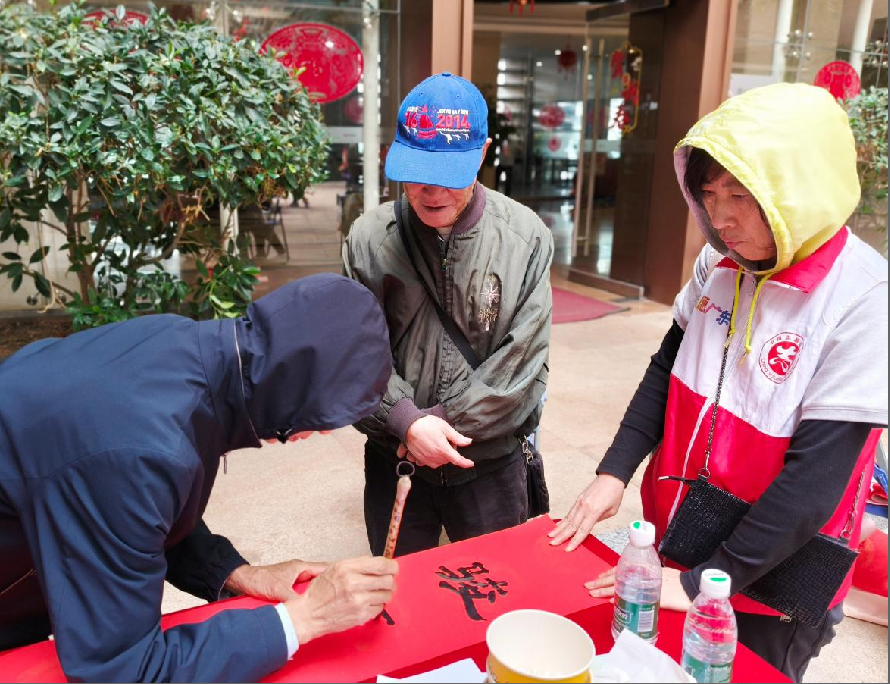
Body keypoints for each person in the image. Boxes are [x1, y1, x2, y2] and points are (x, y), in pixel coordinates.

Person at [549, 83, 888, 682]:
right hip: (686, 527)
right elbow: (668, 367)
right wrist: (614, 471)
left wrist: (709, 582)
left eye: (740, 195)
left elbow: (813, 484)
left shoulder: (863, 298)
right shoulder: (720, 263)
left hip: (775, 569)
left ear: (800, 191)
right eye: (708, 194)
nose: (721, 218)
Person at [0, 274, 398, 682]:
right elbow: (123, 669)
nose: (320, 434)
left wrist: (236, 573)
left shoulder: (185, 347)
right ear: (294, 390)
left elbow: (131, 509)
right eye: (326, 416)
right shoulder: (140, 451)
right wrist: (306, 618)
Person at [343, 72, 553, 557]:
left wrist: (432, 426)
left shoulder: (525, 238)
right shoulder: (368, 240)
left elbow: (522, 364)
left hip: (488, 462)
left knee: (497, 587)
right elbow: (354, 355)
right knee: (399, 592)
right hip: (395, 458)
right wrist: (404, 422)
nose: (431, 191)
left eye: (449, 173)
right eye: (418, 170)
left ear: (482, 155)